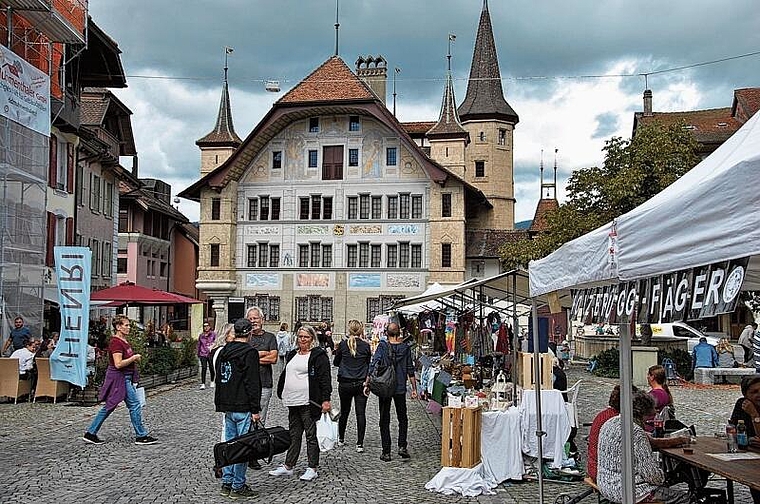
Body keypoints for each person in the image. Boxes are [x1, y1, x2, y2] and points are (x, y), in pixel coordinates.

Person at [597, 390, 690, 504]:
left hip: (605, 483)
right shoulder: (635, 432)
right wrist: (663, 476)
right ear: (643, 413)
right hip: (630, 491)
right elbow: (651, 475)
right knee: (686, 499)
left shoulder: (610, 422)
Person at [82, 314, 157, 446]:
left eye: (128, 325)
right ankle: (141, 435)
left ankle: (91, 433)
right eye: (126, 325)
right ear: (118, 327)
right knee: (133, 405)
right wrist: (134, 358)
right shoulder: (116, 343)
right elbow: (118, 363)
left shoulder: (123, 341)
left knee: (111, 406)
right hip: (120, 378)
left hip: (125, 377)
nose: (128, 328)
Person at [270, 324, 332, 482]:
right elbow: (286, 372)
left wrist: (325, 399)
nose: (302, 339)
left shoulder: (319, 355)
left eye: (306, 337)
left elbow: (325, 379)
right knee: (294, 434)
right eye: (300, 336)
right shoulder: (292, 354)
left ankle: (312, 467)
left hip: (309, 401)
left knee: (311, 435)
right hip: (293, 401)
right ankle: (289, 465)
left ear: (312, 338)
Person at [214, 318, 261, 499]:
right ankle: (238, 485)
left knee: (229, 445)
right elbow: (252, 382)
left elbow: (220, 378)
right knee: (243, 447)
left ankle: (227, 482)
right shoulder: (249, 352)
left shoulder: (225, 350)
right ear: (249, 333)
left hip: (227, 404)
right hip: (243, 405)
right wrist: (255, 409)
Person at [365, 321, 417, 462]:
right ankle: (402, 446)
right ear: (399, 333)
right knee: (402, 418)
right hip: (400, 387)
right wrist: (414, 389)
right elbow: (410, 369)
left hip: (385, 386)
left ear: (386, 333)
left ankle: (386, 451)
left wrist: (367, 383)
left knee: (384, 419)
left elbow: (374, 364)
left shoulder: (382, 346)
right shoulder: (405, 348)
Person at [333, 319, 371, 453]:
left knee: (344, 411)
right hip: (361, 382)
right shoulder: (366, 346)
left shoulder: (343, 345)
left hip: (345, 382)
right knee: (361, 413)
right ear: (361, 331)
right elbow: (369, 364)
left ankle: (341, 438)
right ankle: (360, 443)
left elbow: (336, 362)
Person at [729, 374, 760, 503]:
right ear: (745, 394)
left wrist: (754, 414)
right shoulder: (742, 404)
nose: (759, 395)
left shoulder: (751, 409)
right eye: (754, 392)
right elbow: (733, 430)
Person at [246, 306, 278, 426]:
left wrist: (251, 358)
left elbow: (273, 358)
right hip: (246, 384)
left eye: (255, 318)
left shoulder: (270, 337)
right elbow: (242, 358)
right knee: (245, 420)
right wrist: (262, 354)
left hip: (264, 383)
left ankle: (258, 443)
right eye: (250, 319)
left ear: (262, 319)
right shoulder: (245, 338)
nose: (253, 321)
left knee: (260, 420)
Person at [645, 365, 674, 432]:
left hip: (650, 428)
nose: (647, 377)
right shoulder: (664, 393)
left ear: (652, 377)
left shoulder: (655, 394)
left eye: (648, 374)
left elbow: (644, 411)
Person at [197, 319, 216, 390]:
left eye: (207, 326)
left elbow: (215, 342)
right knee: (204, 368)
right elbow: (199, 344)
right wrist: (198, 353)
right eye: (204, 326)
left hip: (210, 353)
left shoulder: (213, 334)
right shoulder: (201, 335)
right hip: (203, 353)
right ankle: (203, 383)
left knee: (211, 367)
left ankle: (212, 380)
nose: (206, 328)